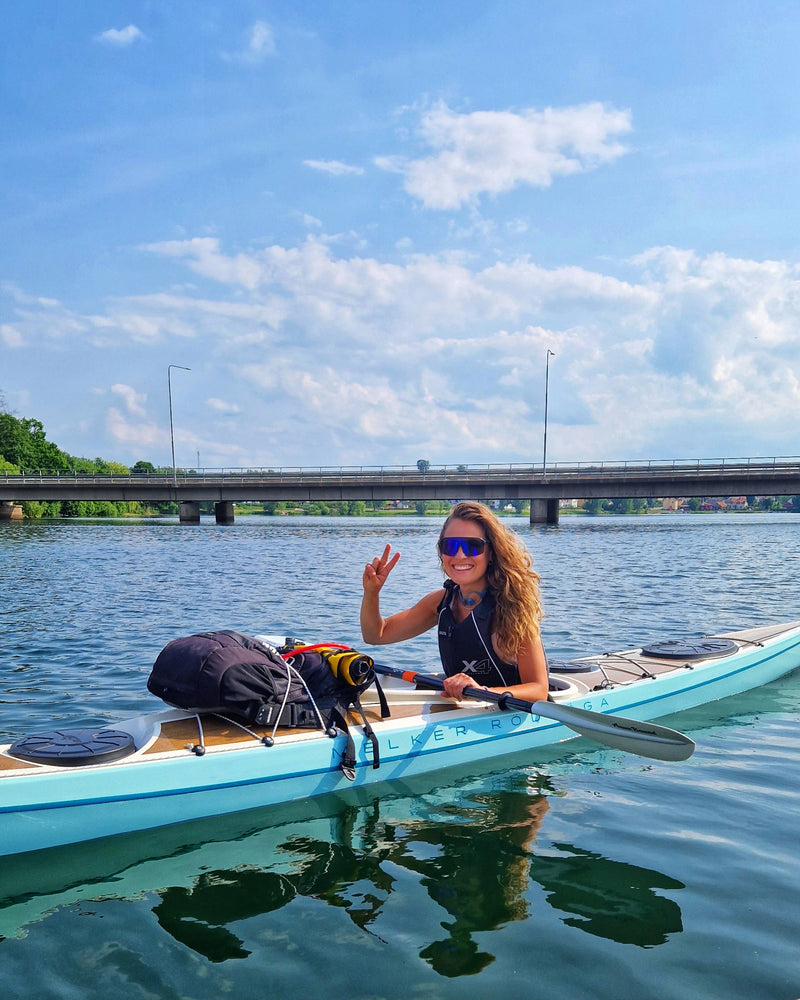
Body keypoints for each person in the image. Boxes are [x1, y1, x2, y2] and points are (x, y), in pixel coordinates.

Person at [360, 501, 549, 703]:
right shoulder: (440, 602)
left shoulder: (514, 606)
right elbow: (375, 635)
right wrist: (372, 592)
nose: (459, 555)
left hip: (512, 715)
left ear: (491, 552)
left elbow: (539, 689)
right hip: (461, 710)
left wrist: (482, 691)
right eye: (450, 546)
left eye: (472, 546)